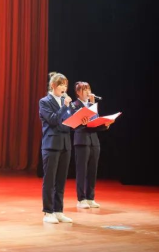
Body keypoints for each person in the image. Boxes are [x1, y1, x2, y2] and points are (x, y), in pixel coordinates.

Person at [39, 72, 88, 224]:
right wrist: (64, 106)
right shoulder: (44, 102)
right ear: (53, 85)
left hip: (66, 144)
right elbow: (53, 120)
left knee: (61, 180)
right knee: (50, 180)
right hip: (51, 145)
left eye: (65, 85)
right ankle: (48, 212)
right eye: (61, 85)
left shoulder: (67, 103)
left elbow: (70, 123)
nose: (64, 88)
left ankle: (58, 211)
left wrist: (81, 121)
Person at [73, 81, 111, 209]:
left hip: (94, 141)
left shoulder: (92, 105)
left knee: (92, 170)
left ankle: (90, 198)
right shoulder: (75, 105)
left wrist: (105, 125)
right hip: (81, 140)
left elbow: (95, 124)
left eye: (88, 89)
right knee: (82, 170)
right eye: (84, 90)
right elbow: (76, 124)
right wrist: (90, 108)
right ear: (78, 92)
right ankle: (81, 199)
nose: (88, 92)